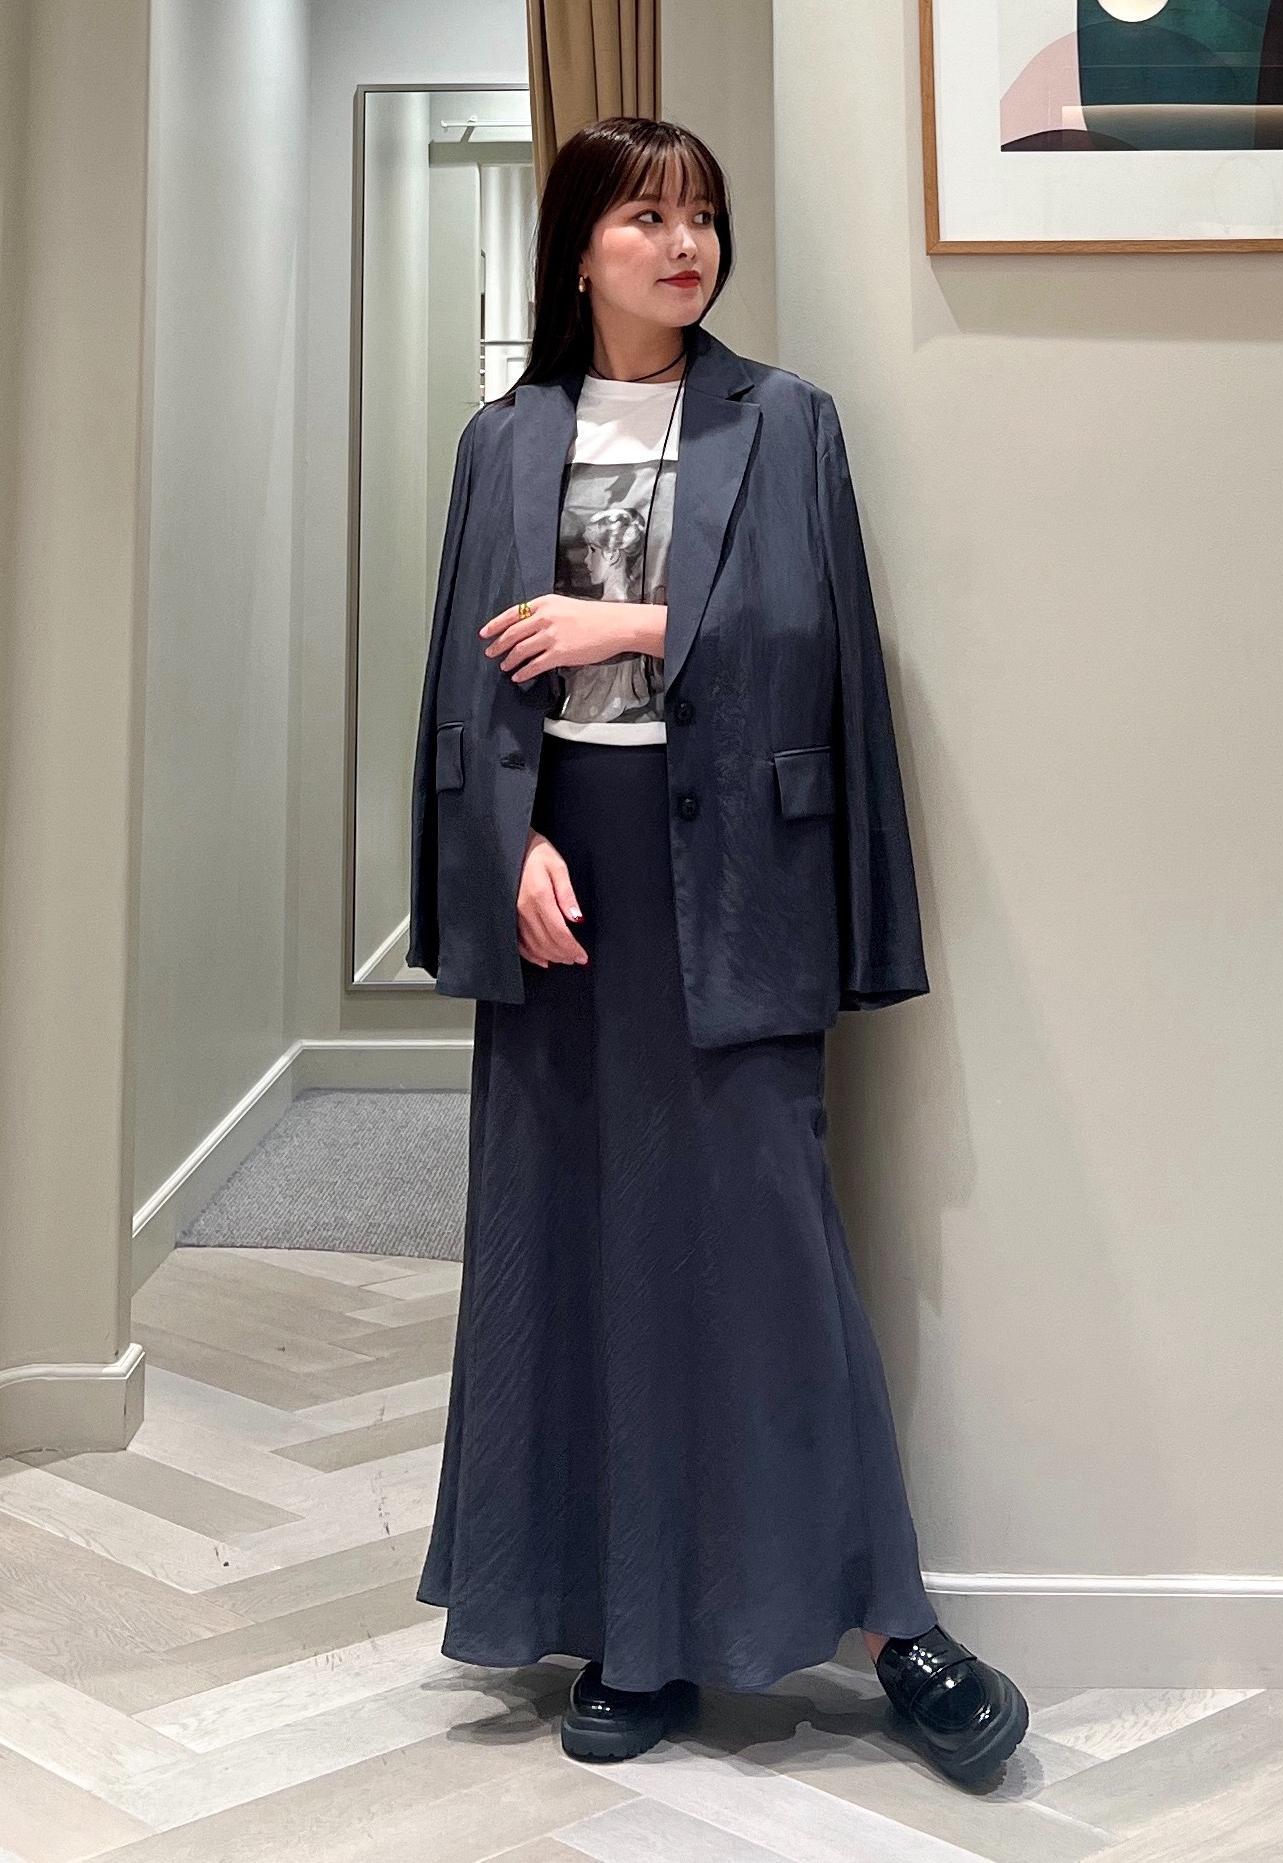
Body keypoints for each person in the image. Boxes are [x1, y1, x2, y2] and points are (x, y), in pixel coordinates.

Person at [408, 115, 1029, 1788]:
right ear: (579, 247)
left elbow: (816, 636)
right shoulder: (505, 437)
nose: (682, 245)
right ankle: (630, 1632)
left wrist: (628, 621)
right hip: (571, 878)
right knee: (571, 1240)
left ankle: (890, 1627)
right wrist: (508, 842)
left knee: (764, 1247)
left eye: (700, 217)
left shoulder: (782, 418)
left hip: (736, 871)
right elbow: (464, 679)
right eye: (645, 218)